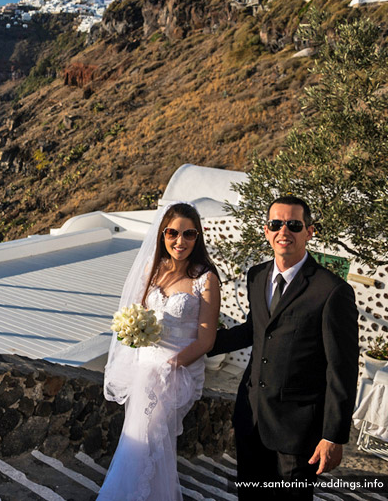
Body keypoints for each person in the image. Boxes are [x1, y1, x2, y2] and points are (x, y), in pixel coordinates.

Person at [208, 196, 359, 500]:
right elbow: (256, 329)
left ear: (309, 231)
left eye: (293, 224)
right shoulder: (257, 276)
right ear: (266, 230)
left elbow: (341, 369)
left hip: (298, 431)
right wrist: (198, 342)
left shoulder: (332, 291)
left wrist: (333, 435)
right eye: (276, 224)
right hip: (251, 418)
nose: (283, 231)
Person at [99, 202, 221, 500]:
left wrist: (170, 366)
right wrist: (133, 330)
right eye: (173, 233)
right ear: (162, 234)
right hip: (144, 367)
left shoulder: (205, 279)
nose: (180, 241)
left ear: (198, 237)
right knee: (137, 440)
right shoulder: (153, 271)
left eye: (189, 234)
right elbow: (139, 313)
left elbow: (206, 341)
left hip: (179, 371)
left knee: (149, 438)